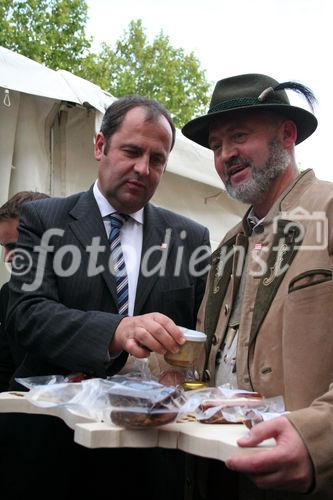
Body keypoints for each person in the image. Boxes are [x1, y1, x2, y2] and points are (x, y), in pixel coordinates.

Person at [2, 96, 210, 500]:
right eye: (132, 151)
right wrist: (117, 330)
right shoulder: (44, 221)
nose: (142, 168)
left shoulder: (190, 238)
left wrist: (182, 371)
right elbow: (27, 315)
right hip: (54, 451)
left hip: (150, 456)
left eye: (157, 159)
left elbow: (201, 335)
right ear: (100, 146)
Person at [182, 73, 333, 500]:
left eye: (239, 136)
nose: (226, 154)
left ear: (287, 135)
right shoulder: (228, 244)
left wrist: (319, 441)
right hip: (220, 471)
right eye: (215, 146)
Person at [0, 191, 50, 391]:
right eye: (4, 247)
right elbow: (4, 365)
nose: (7, 257)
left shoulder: (91, 289)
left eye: (14, 246)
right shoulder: (7, 293)